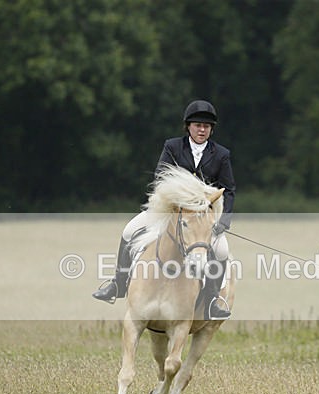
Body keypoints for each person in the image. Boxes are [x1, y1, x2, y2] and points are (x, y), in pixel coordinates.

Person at [92, 100, 235, 320]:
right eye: (197, 125)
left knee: (222, 250)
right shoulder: (173, 147)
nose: (202, 129)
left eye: (206, 126)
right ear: (188, 126)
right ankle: (118, 284)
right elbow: (160, 177)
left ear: (211, 129)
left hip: (203, 219)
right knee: (129, 230)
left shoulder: (221, 154)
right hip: (169, 212)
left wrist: (222, 221)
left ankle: (212, 299)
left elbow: (229, 190)